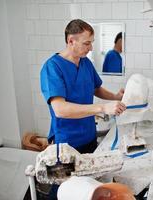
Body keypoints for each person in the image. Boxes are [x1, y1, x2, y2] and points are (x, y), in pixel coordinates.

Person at [40, 19, 126, 199]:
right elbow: (60, 109)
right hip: (65, 143)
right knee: (63, 191)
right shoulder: (52, 67)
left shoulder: (85, 63)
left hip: (88, 137)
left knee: (86, 188)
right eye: (87, 43)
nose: (90, 48)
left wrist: (116, 97)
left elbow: (96, 88)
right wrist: (102, 107)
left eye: (91, 43)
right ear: (71, 41)